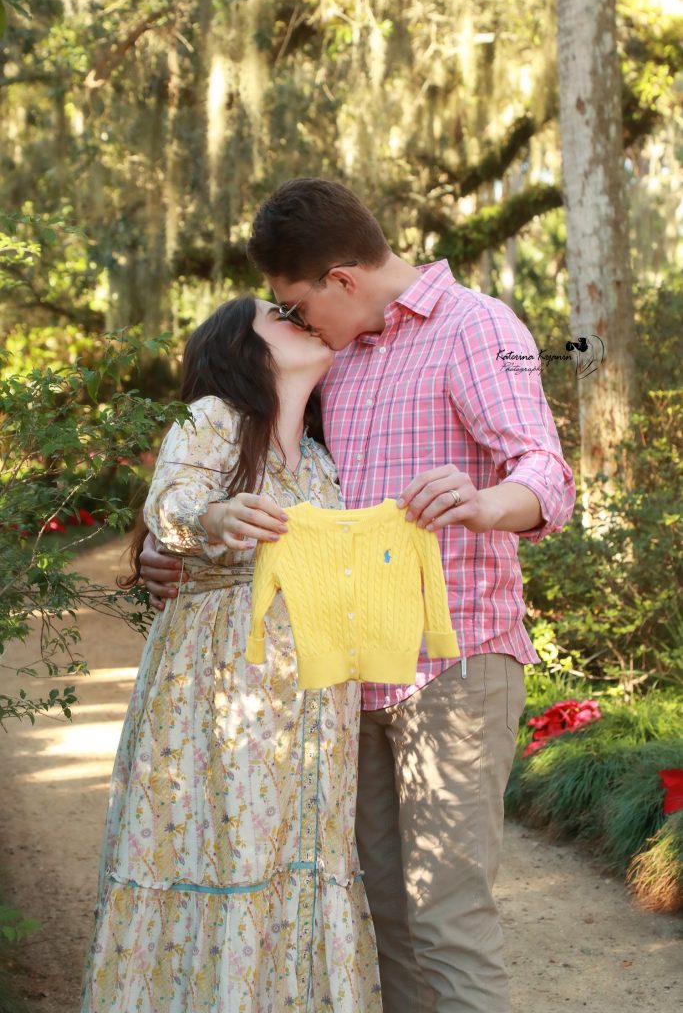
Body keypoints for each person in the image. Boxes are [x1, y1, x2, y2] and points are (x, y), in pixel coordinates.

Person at [141, 179, 576, 1013]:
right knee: (380, 911)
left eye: (297, 305)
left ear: (342, 278)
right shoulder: (332, 361)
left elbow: (543, 470)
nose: (297, 324)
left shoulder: (477, 326)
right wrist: (163, 552)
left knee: (446, 911)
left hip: (453, 662)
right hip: (345, 677)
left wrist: (488, 504)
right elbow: (234, 462)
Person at [81, 296, 382, 1013]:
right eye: (280, 314)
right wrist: (213, 517)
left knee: (299, 855)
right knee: (224, 849)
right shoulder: (212, 417)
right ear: (242, 348)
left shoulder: (315, 455)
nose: (302, 317)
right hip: (222, 682)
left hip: (314, 696)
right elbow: (172, 502)